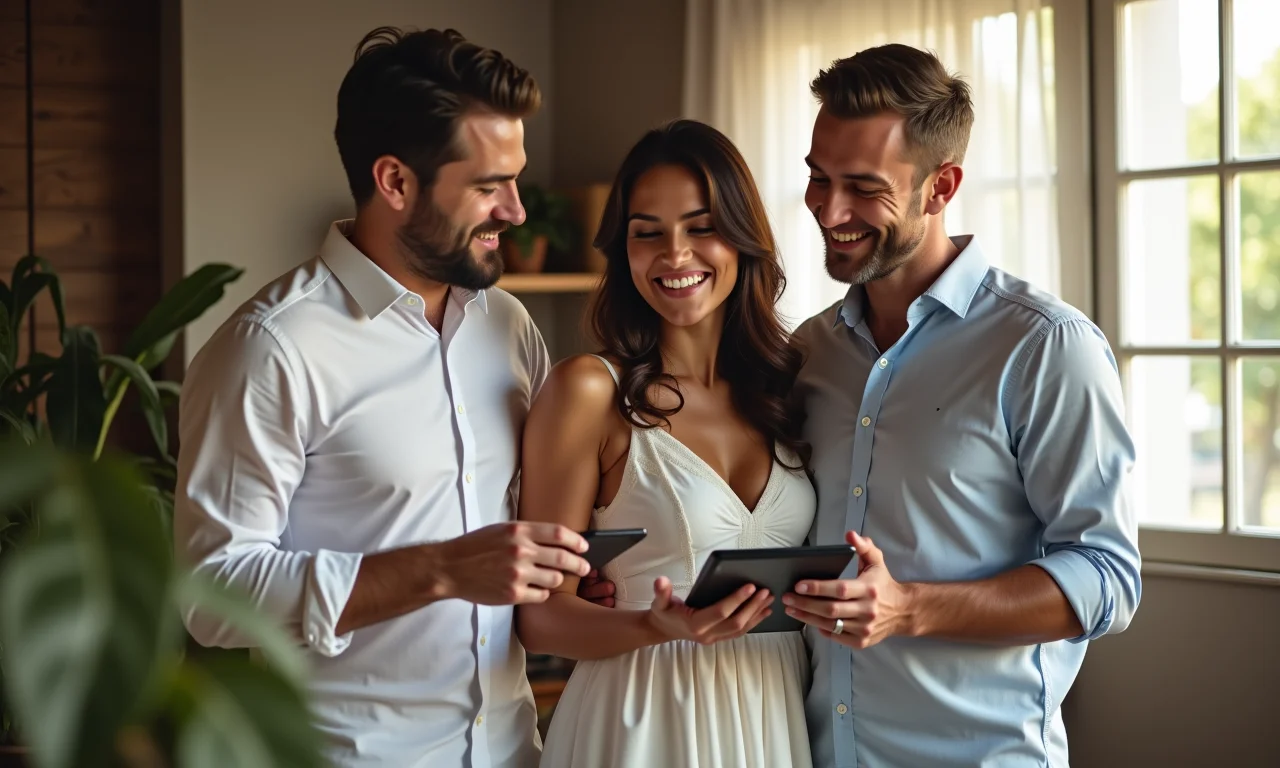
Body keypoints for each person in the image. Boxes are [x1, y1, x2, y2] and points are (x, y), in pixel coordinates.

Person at [173, 27, 591, 767]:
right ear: (396, 182)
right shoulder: (272, 348)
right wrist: (440, 570)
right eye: (488, 187)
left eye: (516, 181)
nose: (516, 212)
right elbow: (212, 594)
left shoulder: (508, 327)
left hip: (512, 751)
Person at [782, 44, 1143, 767]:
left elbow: (1107, 578)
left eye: (863, 186)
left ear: (940, 187)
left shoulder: (1044, 346)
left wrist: (910, 608)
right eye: (819, 178)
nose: (830, 208)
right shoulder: (808, 353)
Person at [516, 119, 817, 768]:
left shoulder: (791, 386)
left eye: (701, 227)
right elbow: (539, 618)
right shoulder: (589, 392)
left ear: (744, 237)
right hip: (642, 718)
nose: (675, 255)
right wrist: (652, 624)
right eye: (647, 232)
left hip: (772, 713)